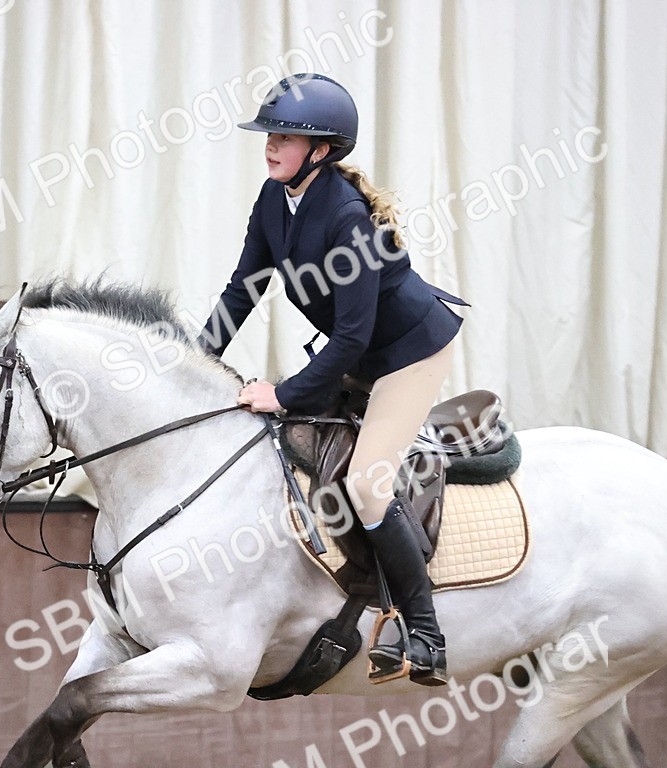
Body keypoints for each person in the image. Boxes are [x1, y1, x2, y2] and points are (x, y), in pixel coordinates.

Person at [196, 73, 469, 686]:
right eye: (269, 134)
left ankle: (425, 634)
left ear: (320, 150)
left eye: (285, 137)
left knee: (368, 484)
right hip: (359, 350)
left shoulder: (348, 219)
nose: (270, 146)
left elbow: (350, 339)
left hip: (406, 354)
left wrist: (284, 392)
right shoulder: (274, 200)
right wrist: (195, 364)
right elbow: (242, 289)